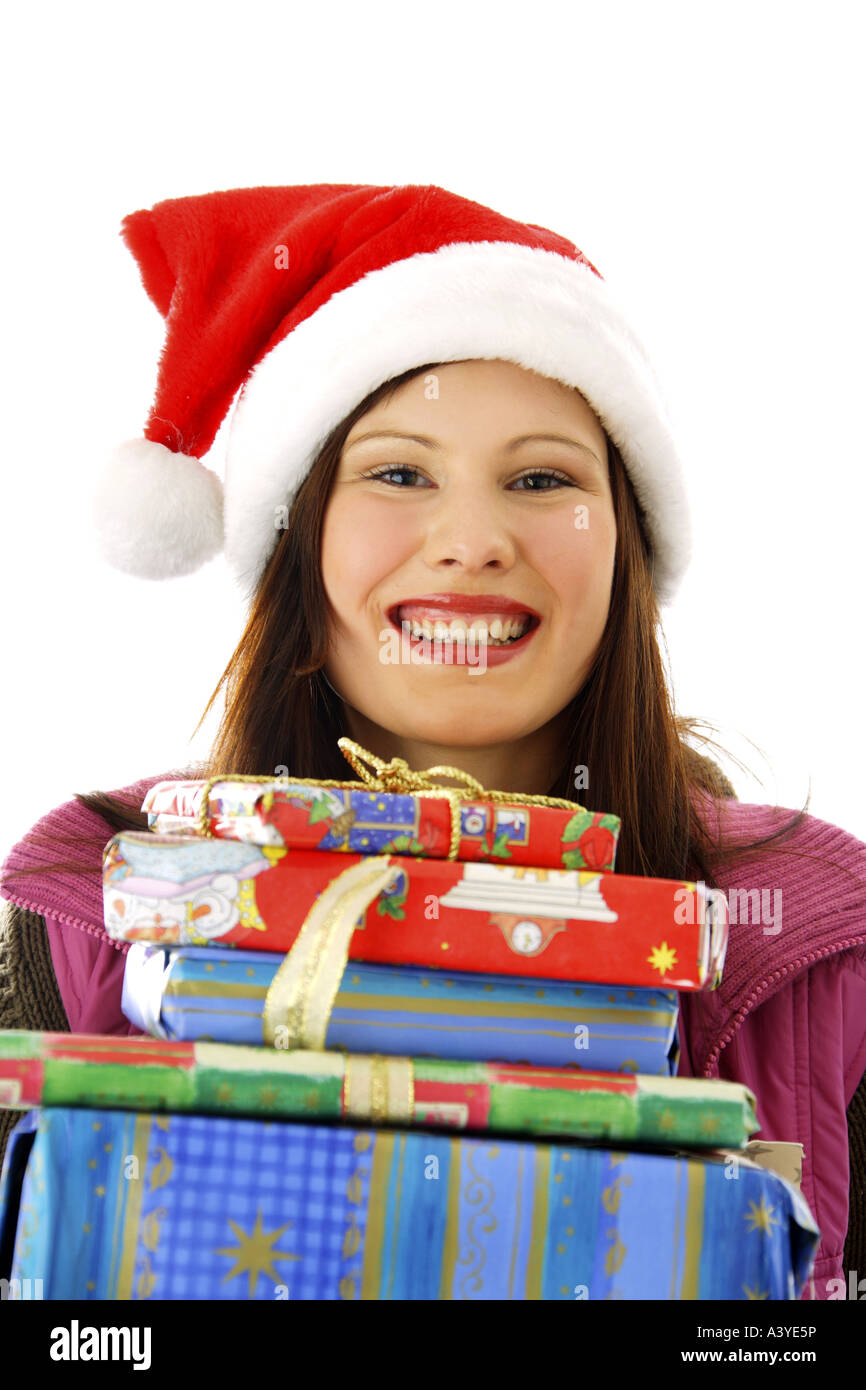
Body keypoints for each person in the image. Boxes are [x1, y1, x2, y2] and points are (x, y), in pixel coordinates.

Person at [1, 183, 864, 1301]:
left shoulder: (818, 937)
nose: (470, 543)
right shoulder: (86, 910)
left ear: (629, 552)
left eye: (541, 479)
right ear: (297, 543)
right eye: (398, 472)